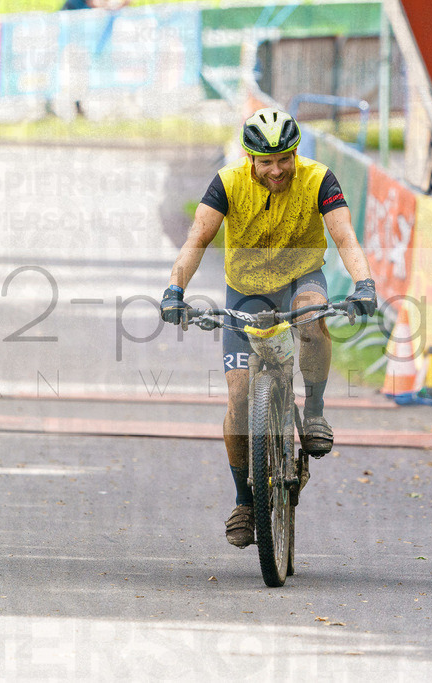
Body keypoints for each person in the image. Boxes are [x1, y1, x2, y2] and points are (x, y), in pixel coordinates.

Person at [160, 107, 377, 548]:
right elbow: (197, 238)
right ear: (250, 158)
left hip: (302, 279)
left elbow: (345, 237)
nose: (276, 170)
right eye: (266, 162)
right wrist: (173, 291)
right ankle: (244, 501)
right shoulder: (228, 183)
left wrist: (364, 283)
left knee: (314, 321)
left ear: (296, 154)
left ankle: (313, 413)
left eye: (285, 159)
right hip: (246, 291)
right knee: (239, 397)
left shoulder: (319, 179)